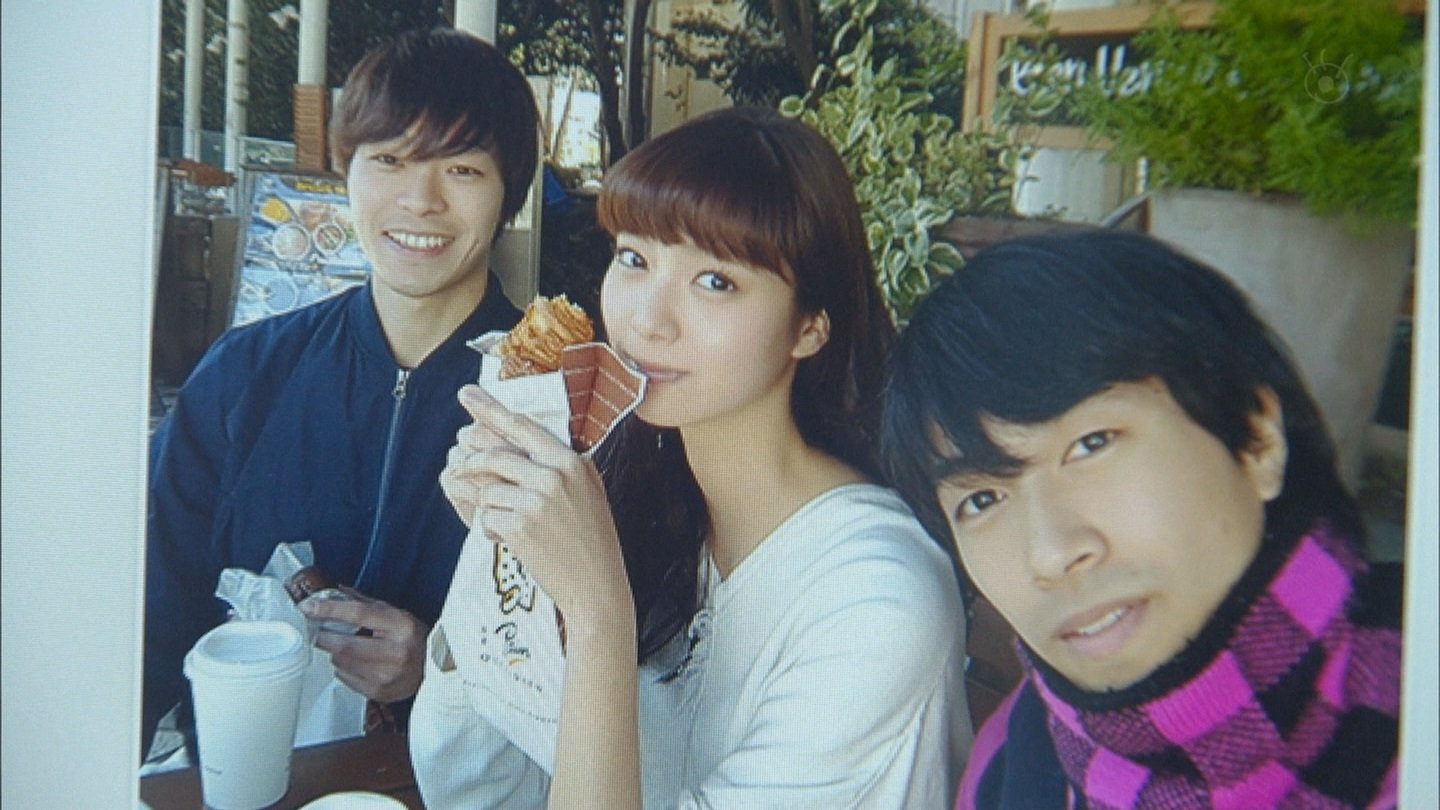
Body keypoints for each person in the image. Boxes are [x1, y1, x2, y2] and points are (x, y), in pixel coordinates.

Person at [415, 106, 971, 808]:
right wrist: (505, 553)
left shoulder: (876, 604)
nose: (647, 320)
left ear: (809, 326)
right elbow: (479, 786)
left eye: (716, 282)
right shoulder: (636, 490)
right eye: (634, 259)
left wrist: (596, 610)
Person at [881, 230, 1403, 809]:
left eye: (1092, 444)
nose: (1051, 553)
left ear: (1256, 439)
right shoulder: (1012, 768)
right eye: (981, 501)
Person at [142, 27, 539, 756]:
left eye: (462, 169)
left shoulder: (552, 400)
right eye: (389, 160)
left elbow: (602, 664)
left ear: (508, 193)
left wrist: (442, 668)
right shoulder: (243, 377)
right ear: (344, 168)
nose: (420, 201)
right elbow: (147, 621)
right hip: (252, 781)